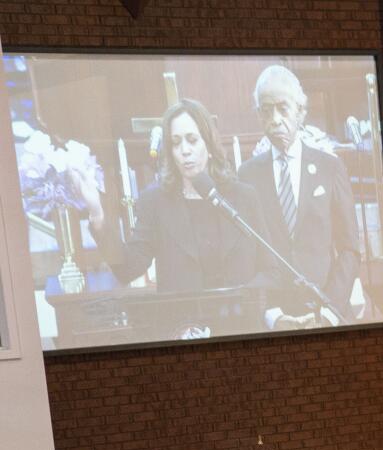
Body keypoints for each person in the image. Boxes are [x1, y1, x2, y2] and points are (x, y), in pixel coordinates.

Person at [79, 98, 272, 321]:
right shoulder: (155, 201)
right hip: (181, 330)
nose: (184, 151)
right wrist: (97, 215)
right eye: (176, 143)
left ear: (208, 145)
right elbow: (128, 269)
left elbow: (269, 267)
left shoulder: (244, 197)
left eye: (192, 140)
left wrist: (247, 300)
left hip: (239, 327)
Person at [236, 65, 365, 328]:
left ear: (300, 112)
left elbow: (349, 249)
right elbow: (246, 256)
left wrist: (327, 315)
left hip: (328, 313)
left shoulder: (331, 167)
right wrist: (273, 316)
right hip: (275, 318)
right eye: (266, 110)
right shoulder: (247, 175)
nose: (274, 119)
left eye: (283, 109)